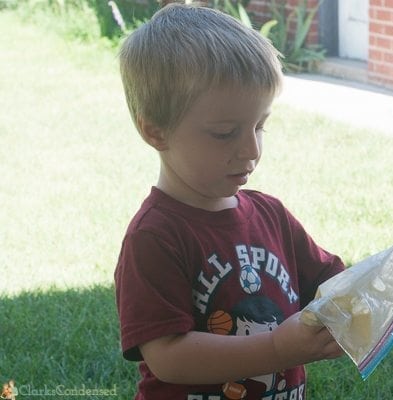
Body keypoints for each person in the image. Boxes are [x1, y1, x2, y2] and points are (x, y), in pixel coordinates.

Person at [113, 3, 345, 399]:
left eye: (260, 125)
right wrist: (276, 350)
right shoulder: (155, 236)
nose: (251, 150)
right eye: (225, 133)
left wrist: (365, 296)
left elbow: (329, 281)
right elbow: (167, 357)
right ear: (156, 132)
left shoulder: (270, 214)